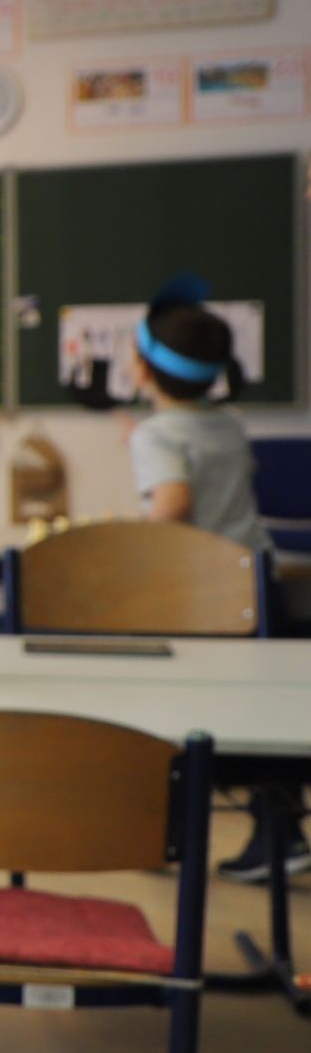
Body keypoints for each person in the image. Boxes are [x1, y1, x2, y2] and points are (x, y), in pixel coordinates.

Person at [126, 294, 299, 882]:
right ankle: (281, 834)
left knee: (170, 714)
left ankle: (162, 838)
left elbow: (173, 503)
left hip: (198, 595)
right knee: (264, 709)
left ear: (143, 369)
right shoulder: (226, 423)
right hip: (257, 583)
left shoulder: (156, 435)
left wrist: (136, 541)